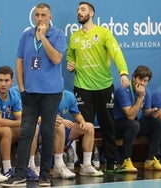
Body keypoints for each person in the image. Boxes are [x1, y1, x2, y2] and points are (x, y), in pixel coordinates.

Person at [1, 3, 67, 187]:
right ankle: (20, 174)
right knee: (26, 134)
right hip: (29, 93)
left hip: (51, 93)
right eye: (37, 15)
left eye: (43, 15)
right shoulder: (26, 35)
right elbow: (20, 62)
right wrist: (22, 88)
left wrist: (44, 38)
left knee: (47, 133)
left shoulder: (58, 35)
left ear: (50, 17)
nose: (39, 18)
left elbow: (56, 59)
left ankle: (45, 175)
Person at [66, 1, 129, 173]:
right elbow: (70, 57)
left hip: (104, 86)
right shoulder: (74, 37)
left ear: (91, 13)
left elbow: (116, 52)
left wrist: (123, 72)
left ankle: (110, 163)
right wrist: (70, 64)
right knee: (84, 124)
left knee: (107, 124)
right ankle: (83, 162)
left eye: (83, 9)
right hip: (82, 87)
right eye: (78, 10)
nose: (79, 12)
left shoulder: (103, 33)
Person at [0, 66, 39, 180]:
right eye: (0, 80)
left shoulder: (13, 95)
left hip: (5, 131)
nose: (3, 84)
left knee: (34, 127)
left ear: (12, 82)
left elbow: (19, 118)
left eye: (6, 81)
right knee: (6, 130)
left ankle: (29, 166)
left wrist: (30, 122)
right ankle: (7, 169)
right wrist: (26, 122)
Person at [113, 65, 161, 172]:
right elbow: (130, 116)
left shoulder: (146, 92)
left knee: (159, 123)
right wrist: (140, 97)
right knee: (134, 124)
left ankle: (150, 160)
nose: (142, 83)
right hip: (117, 126)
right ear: (133, 77)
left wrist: (153, 113)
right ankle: (125, 161)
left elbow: (145, 112)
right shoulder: (123, 90)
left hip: (133, 125)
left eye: (145, 81)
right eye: (140, 79)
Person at [53, 89, 104, 178]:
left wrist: (82, 121)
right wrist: (62, 121)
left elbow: (76, 114)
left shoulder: (69, 95)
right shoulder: (45, 95)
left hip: (64, 129)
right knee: (60, 126)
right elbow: (44, 115)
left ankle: (87, 165)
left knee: (89, 127)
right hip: (47, 130)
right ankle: (58, 166)